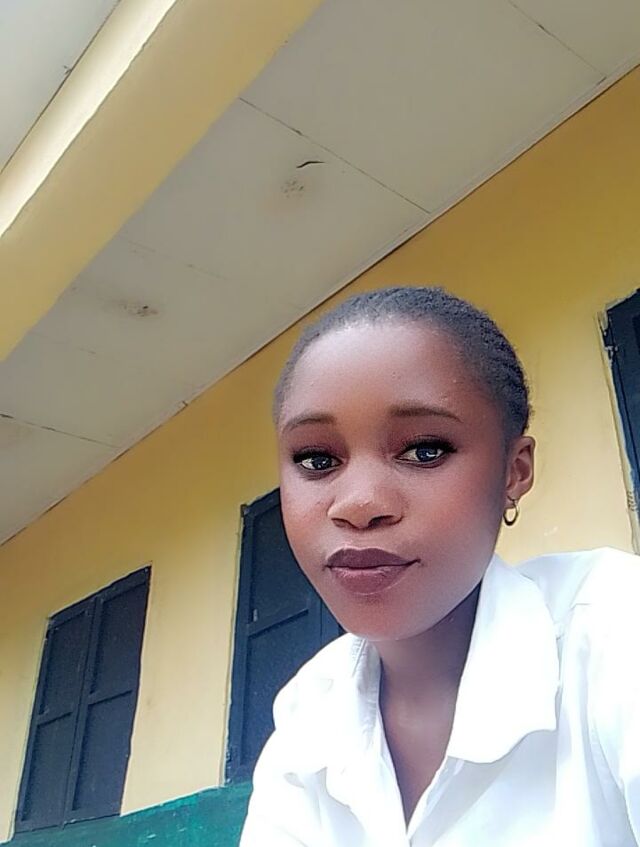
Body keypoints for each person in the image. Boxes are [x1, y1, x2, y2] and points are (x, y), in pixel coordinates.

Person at [239, 286, 640, 846]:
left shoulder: (615, 631)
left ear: (514, 471)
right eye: (317, 458)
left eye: (425, 449)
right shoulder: (306, 719)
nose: (358, 504)